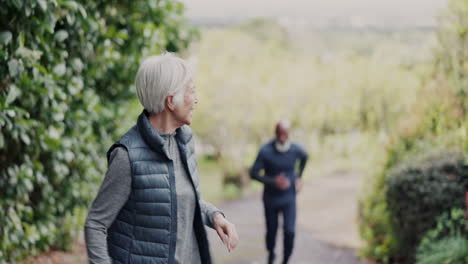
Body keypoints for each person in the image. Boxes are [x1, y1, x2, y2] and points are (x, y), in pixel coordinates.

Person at [84, 53, 239, 264]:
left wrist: (215, 216)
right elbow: (96, 224)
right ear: (170, 101)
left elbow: (179, 198)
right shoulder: (127, 156)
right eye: (191, 91)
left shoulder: (184, 141)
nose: (196, 99)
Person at [250, 120, 308, 264]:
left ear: (289, 134)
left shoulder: (295, 149)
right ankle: (271, 254)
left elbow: (305, 157)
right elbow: (253, 173)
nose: (282, 137)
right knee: (272, 231)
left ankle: (286, 259)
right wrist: (273, 181)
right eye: (279, 134)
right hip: (270, 198)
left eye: (285, 134)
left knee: (290, 231)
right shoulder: (265, 151)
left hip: (289, 197)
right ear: (275, 133)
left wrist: (299, 177)